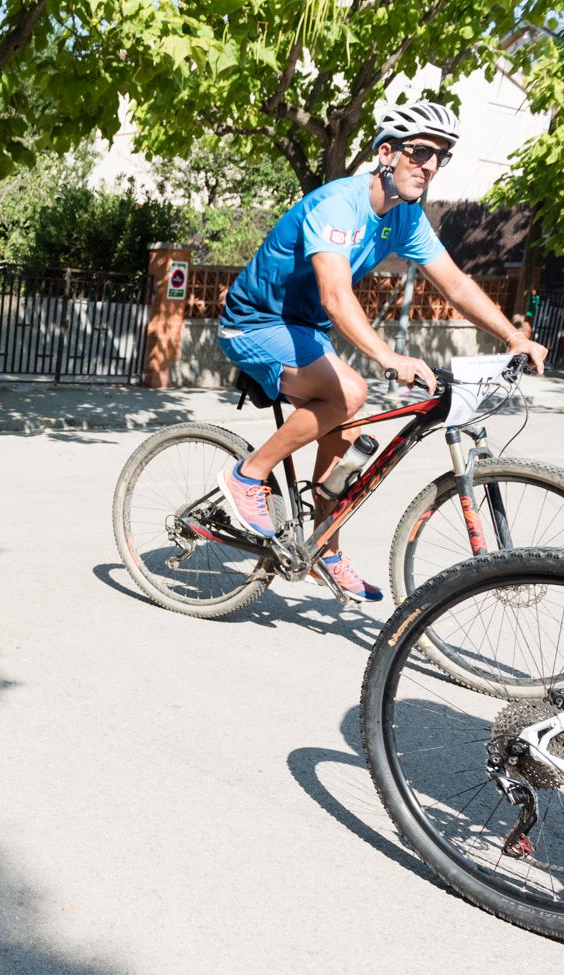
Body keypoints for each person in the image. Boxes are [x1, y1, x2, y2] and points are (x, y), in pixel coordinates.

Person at [215, 100, 549, 601]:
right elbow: (335, 294)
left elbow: (455, 284)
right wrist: (388, 357)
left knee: (346, 421)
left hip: (305, 329)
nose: (431, 166)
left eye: (441, 157)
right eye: (421, 153)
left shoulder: (405, 217)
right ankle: (247, 475)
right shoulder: (338, 204)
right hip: (254, 323)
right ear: (387, 153)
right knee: (349, 391)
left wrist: (512, 336)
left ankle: (324, 549)